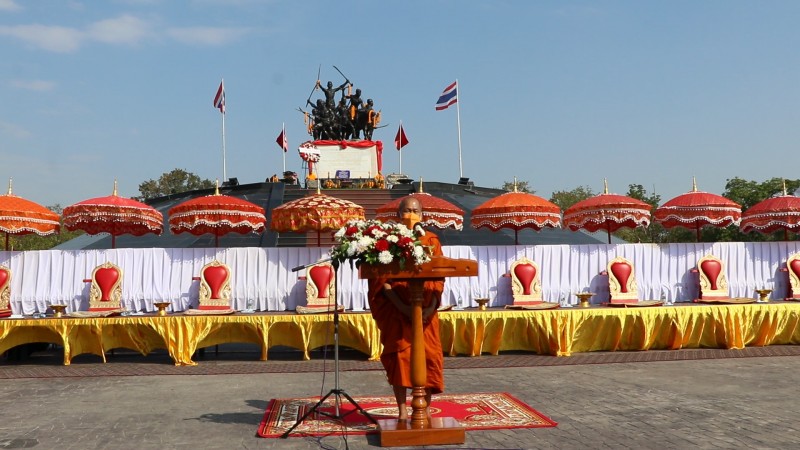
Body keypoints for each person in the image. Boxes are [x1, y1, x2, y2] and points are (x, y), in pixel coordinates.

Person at [366, 197, 445, 421]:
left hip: (427, 312)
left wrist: (429, 307)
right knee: (399, 360)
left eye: (415, 211)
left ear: (422, 215)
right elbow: (381, 281)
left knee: (429, 358)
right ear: (398, 215)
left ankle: (425, 409)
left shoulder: (431, 239)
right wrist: (402, 307)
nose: (411, 214)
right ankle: (402, 410)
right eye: (407, 210)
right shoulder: (389, 242)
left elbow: (439, 276)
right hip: (397, 311)